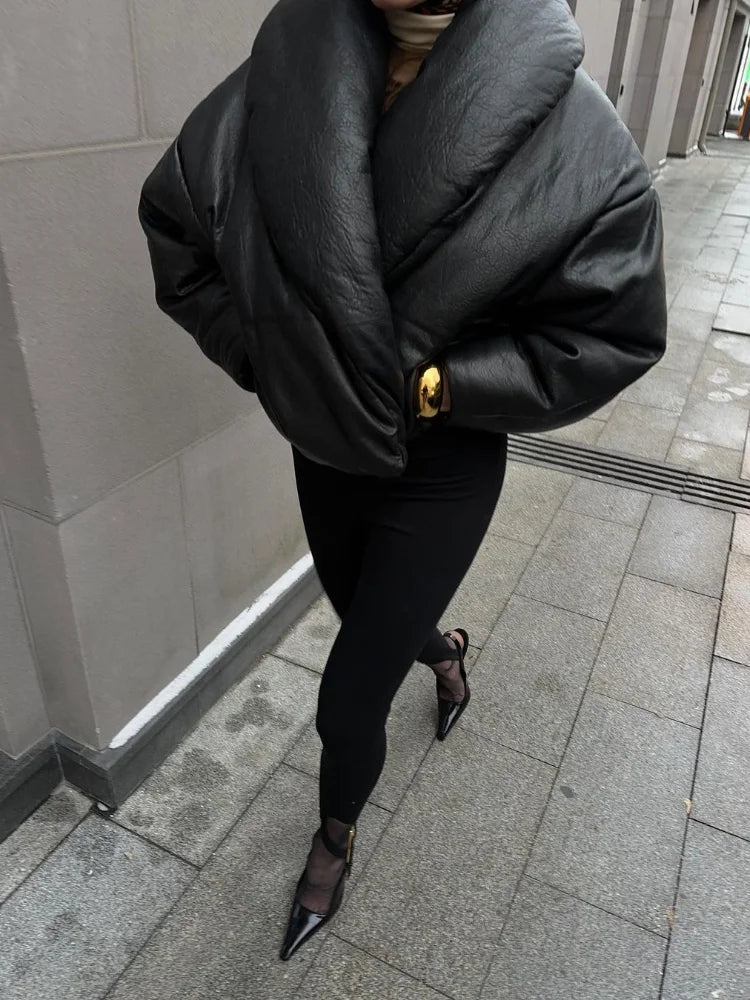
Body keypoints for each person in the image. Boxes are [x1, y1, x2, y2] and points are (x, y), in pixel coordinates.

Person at [138, 0, 667, 963]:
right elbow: (179, 234)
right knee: (362, 615)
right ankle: (447, 650)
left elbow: (614, 330)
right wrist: (267, 355)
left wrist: (441, 383)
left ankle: (332, 841)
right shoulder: (281, 79)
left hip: (447, 460)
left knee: (347, 696)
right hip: (324, 445)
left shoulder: (575, 126)